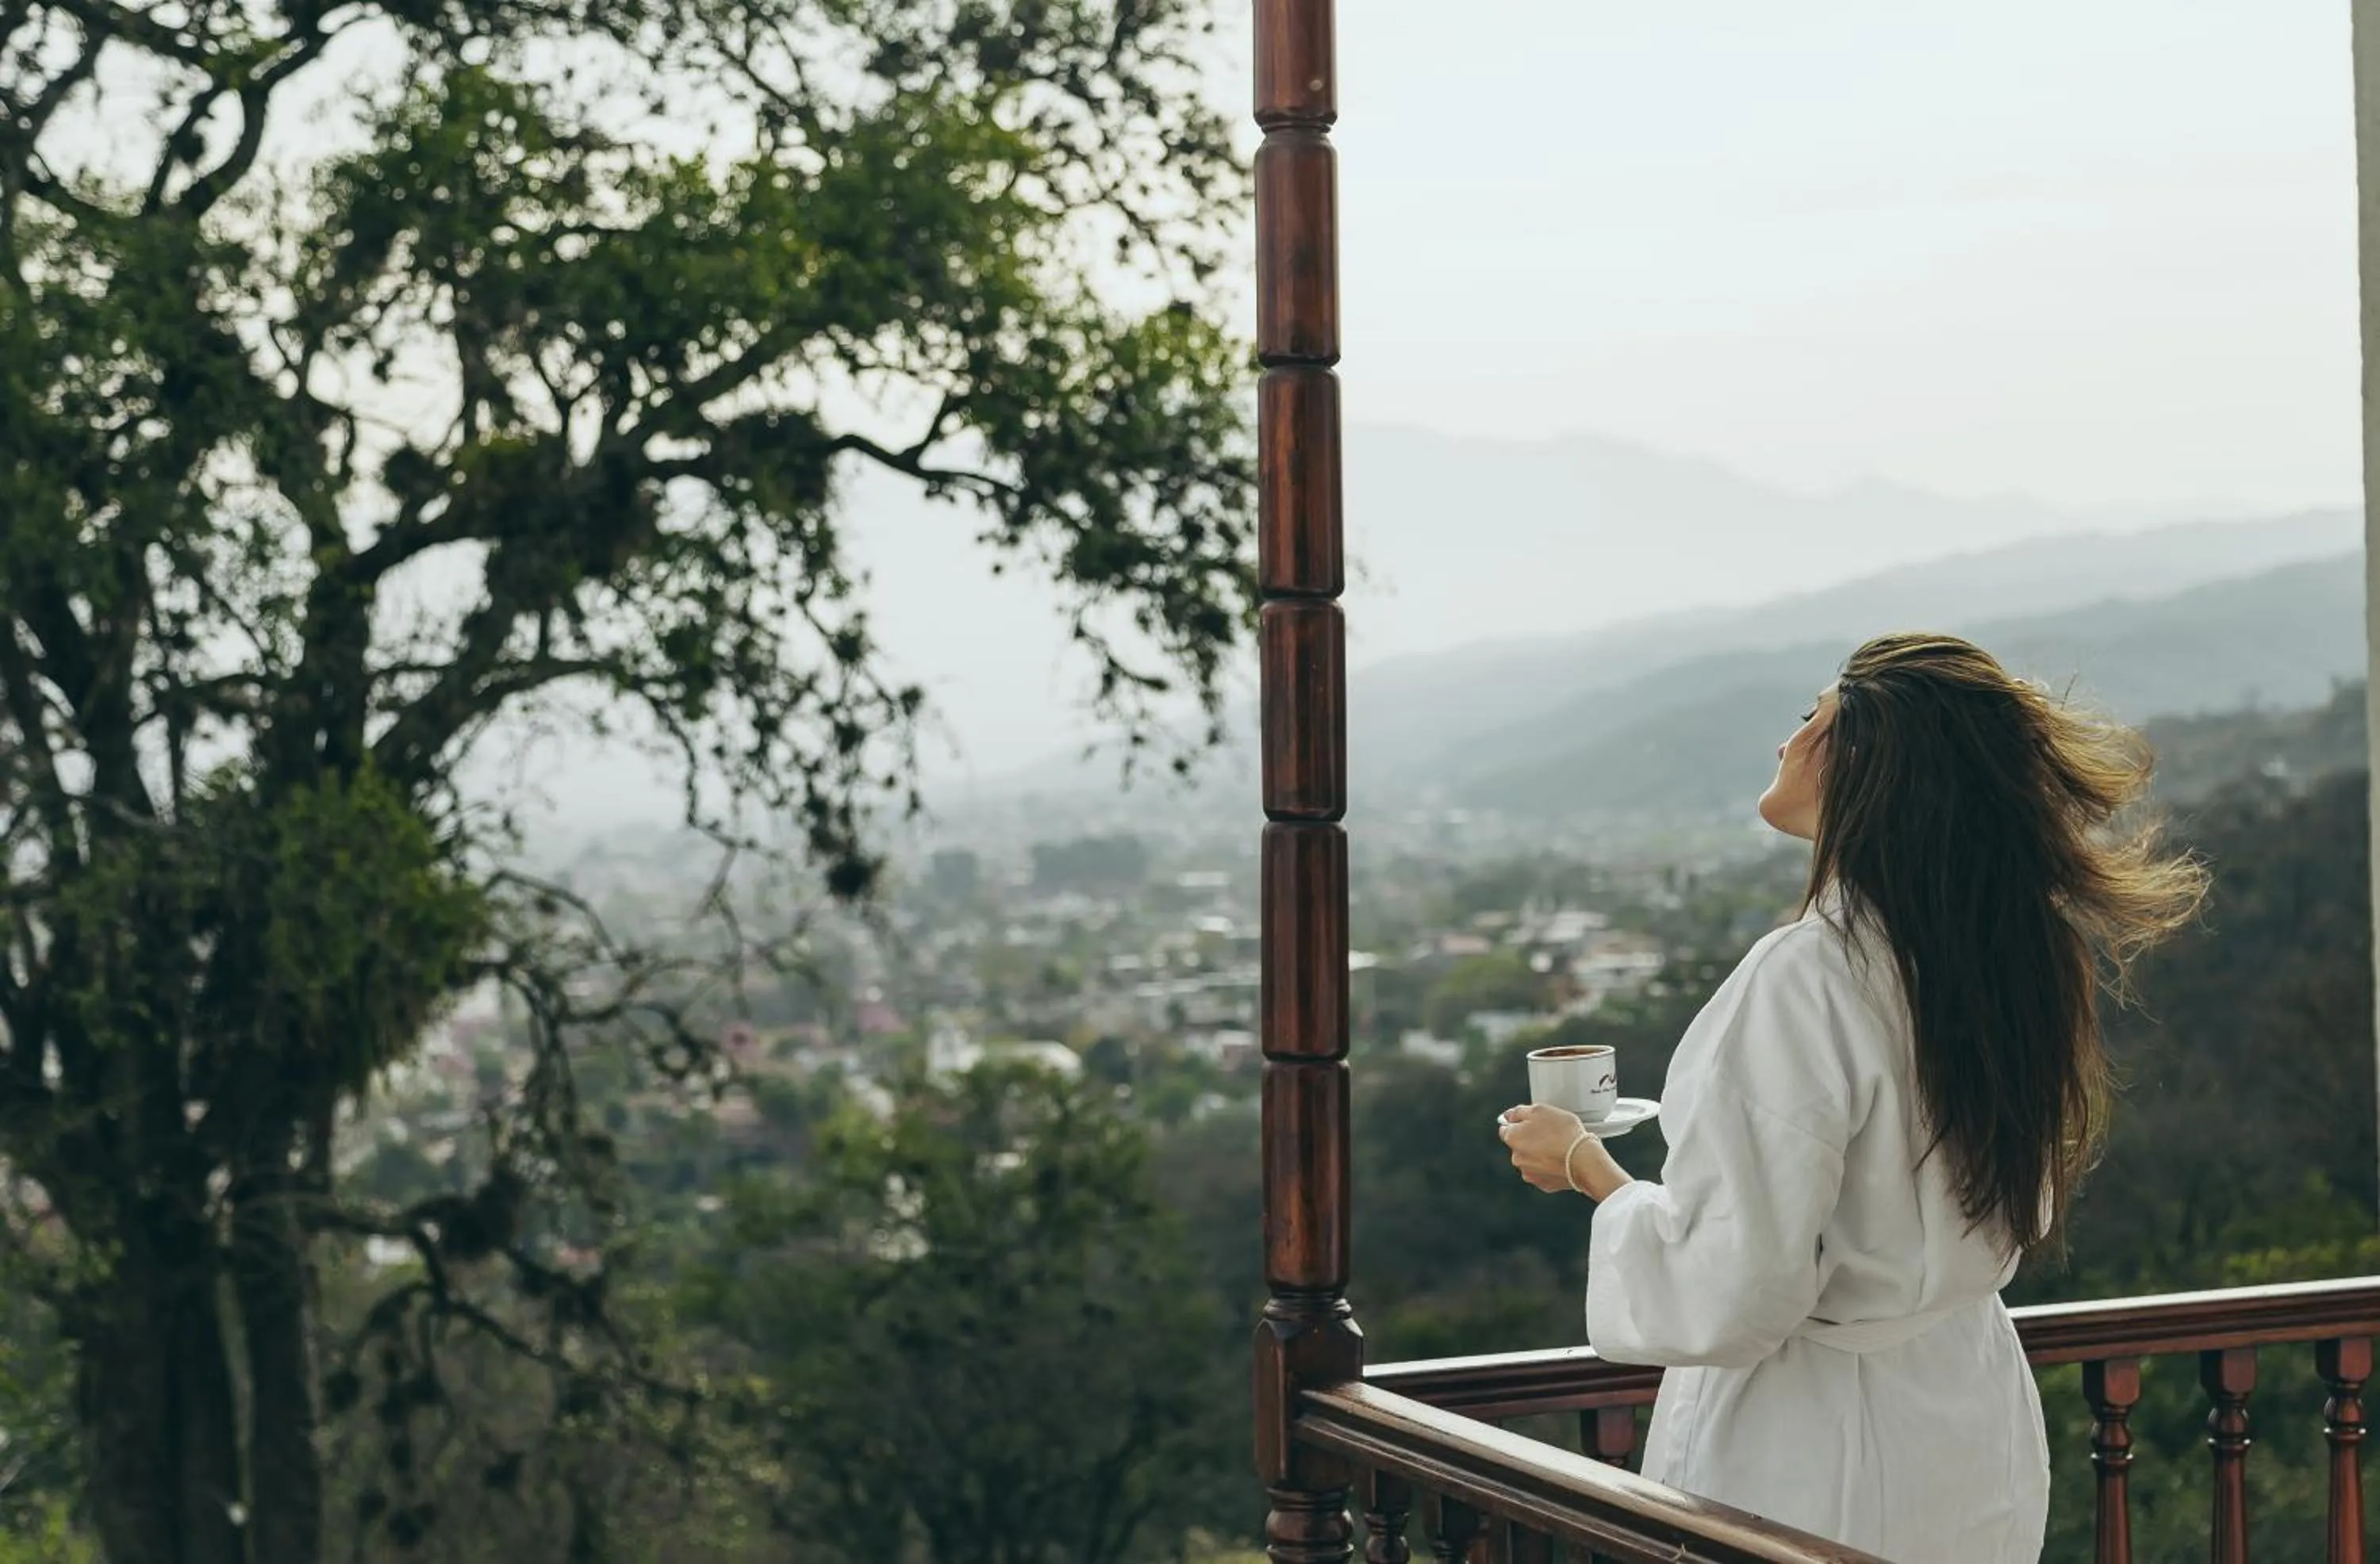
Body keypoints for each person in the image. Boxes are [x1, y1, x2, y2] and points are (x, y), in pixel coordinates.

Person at [1497, 633, 2206, 1562]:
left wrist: (1590, 1167)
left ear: (1865, 764)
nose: (1785, 745)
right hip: (1967, 1414)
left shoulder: (1809, 976)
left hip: (1815, 1445)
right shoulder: (2011, 959)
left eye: (1810, 721)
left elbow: (1739, 1284)